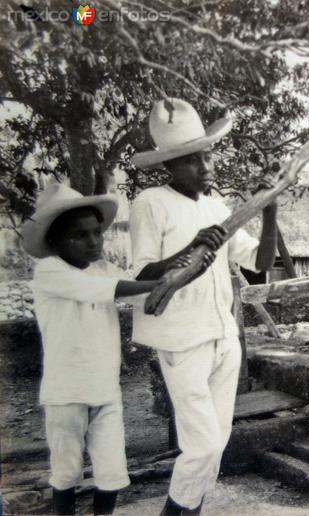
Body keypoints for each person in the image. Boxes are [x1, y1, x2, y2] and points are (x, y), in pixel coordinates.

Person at [129, 98, 277, 516]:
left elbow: (260, 263)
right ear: (169, 167)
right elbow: (141, 275)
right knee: (203, 445)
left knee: (216, 444)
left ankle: (187, 511)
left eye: (206, 155)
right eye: (191, 161)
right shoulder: (151, 203)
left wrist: (271, 213)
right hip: (182, 339)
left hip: (222, 336)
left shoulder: (217, 207)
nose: (205, 166)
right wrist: (191, 246)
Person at [21, 184, 192, 515]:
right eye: (79, 235)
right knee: (66, 471)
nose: (93, 241)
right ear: (55, 242)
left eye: (96, 232)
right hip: (65, 392)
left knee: (112, 471)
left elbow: (137, 295)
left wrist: (175, 275)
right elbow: (106, 290)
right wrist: (162, 283)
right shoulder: (50, 271)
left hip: (105, 389)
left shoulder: (105, 269)